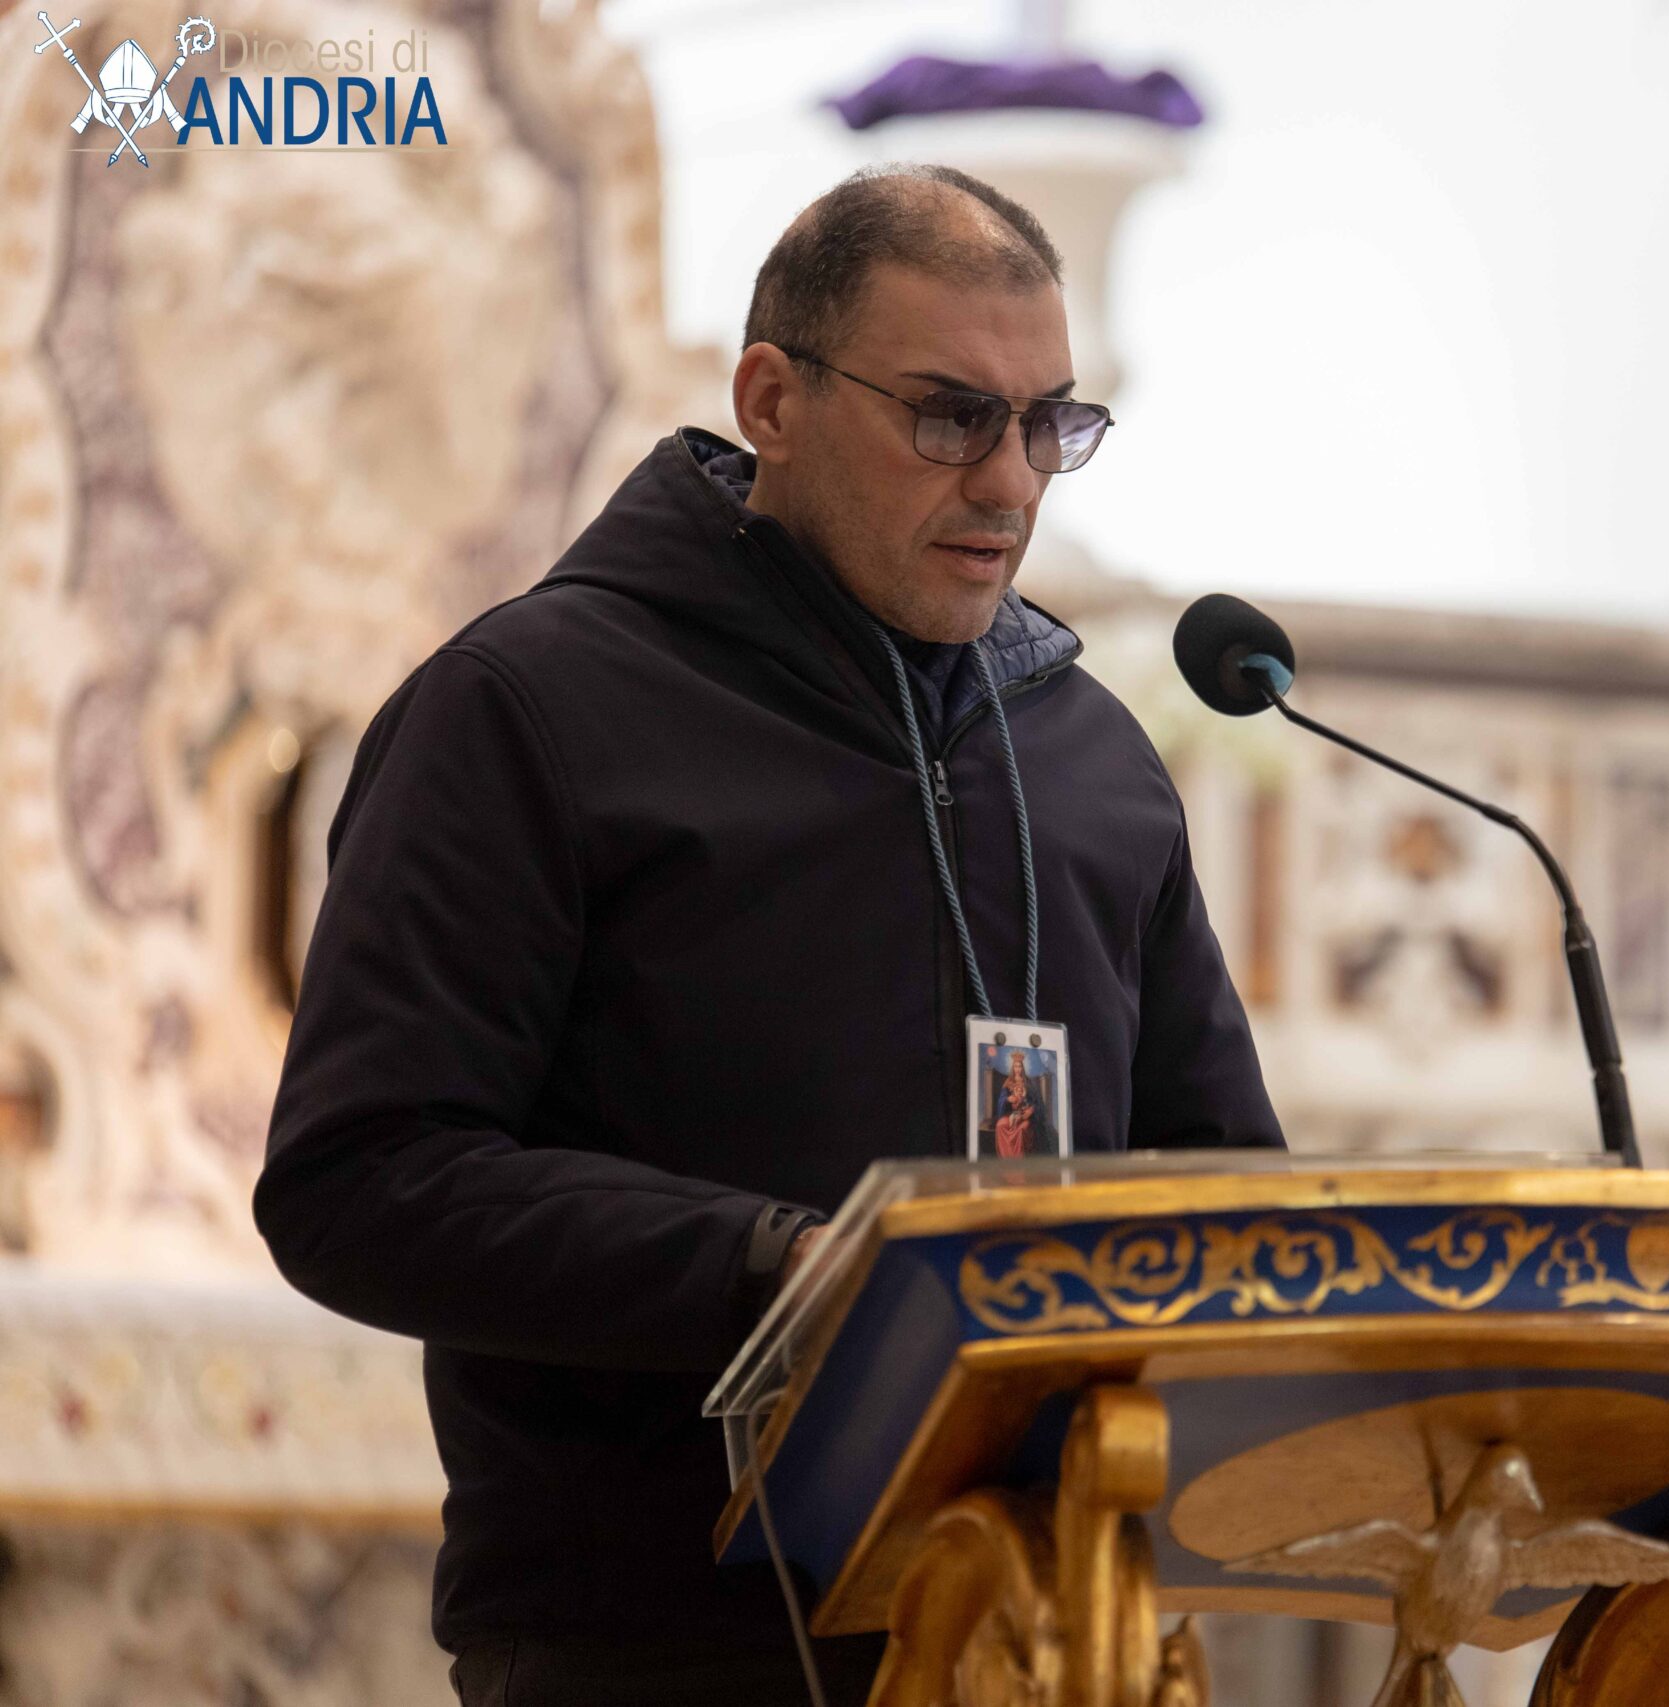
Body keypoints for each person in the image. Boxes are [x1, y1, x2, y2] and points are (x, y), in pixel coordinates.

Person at [253, 163, 1283, 1706]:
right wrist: (775, 1269)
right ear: (772, 400)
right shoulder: (529, 711)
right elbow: (358, 1179)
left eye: (1049, 423)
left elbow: (1229, 1190)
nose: (1011, 483)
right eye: (952, 417)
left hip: (1051, 1638)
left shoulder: (1092, 763)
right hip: (658, 1654)